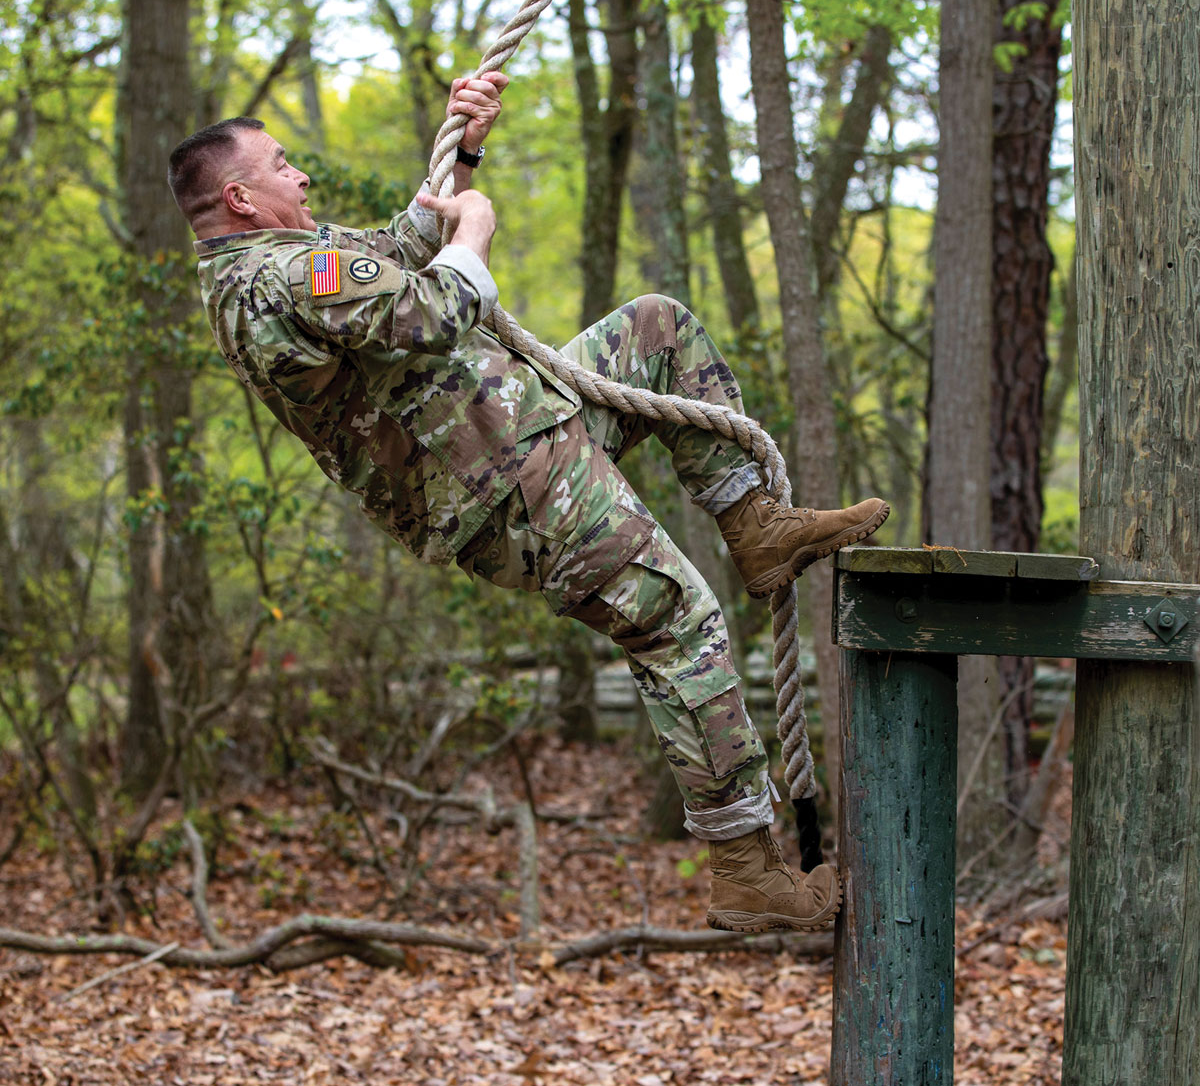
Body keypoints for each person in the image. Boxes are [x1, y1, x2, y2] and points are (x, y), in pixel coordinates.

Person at [169, 73, 889, 934]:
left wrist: (463, 145)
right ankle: (745, 868)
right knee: (677, 624)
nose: (303, 177)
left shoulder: (290, 264)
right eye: (283, 166)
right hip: (504, 489)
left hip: (525, 424)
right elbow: (431, 309)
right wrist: (474, 231)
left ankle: (755, 530)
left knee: (657, 328)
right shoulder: (273, 283)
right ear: (241, 197)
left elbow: (396, 249)